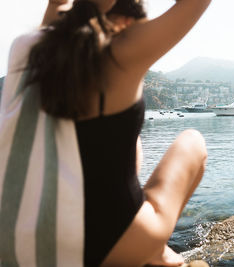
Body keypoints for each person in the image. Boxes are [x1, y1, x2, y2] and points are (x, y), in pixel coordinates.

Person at [1, 0, 210, 266]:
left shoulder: (25, 46)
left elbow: (58, 8)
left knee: (119, 140)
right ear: (125, 22)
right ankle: (155, 250)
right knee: (193, 142)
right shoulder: (119, 54)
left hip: (15, 244)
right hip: (102, 248)